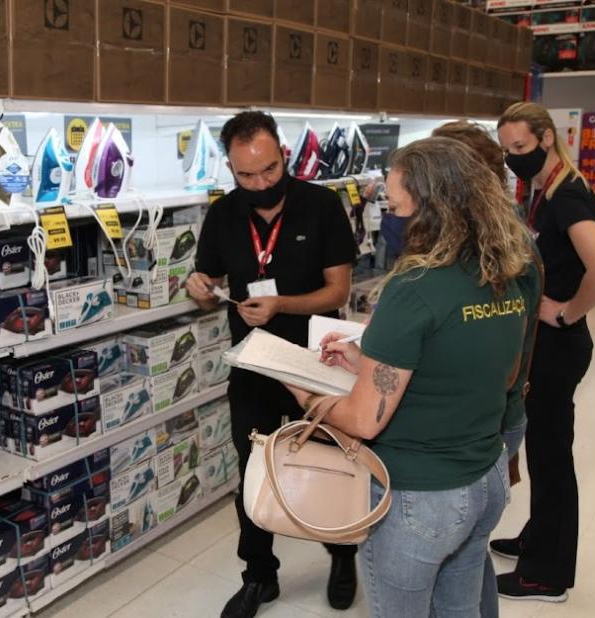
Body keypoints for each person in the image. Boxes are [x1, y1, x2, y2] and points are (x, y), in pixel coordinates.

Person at [284, 136, 541, 617]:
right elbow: (499, 372)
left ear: (431, 208)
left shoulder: (414, 286)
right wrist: (371, 360)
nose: (389, 221)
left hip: (419, 498)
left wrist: (301, 389)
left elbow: (363, 421)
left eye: (396, 207)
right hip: (484, 481)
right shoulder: (506, 268)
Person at [185, 111, 358, 618]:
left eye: (269, 169)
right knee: (254, 470)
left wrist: (282, 305)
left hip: (318, 361)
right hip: (255, 363)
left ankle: (342, 554)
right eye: (246, 175)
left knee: (331, 463)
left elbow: (339, 290)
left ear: (283, 153)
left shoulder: (322, 206)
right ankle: (260, 575)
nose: (260, 183)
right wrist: (197, 288)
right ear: (230, 169)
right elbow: (207, 286)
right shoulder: (223, 214)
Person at [494, 102, 595, 602]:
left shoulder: (565, 196)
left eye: (520, 147)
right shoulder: (553, 186)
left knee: (550, 457)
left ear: (547, 138)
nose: (512, 158)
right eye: (507, 150)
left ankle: (546, 574)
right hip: (550, 346)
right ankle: (536, 538)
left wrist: (567, 311)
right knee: (545, 448)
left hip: (560, 345)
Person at [431, 120, 533, 618]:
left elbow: (506, 364)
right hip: (493, 415)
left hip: (486, 420)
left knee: (461, 556)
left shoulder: (506, 253)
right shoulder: (495, 242)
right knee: (468, 557)